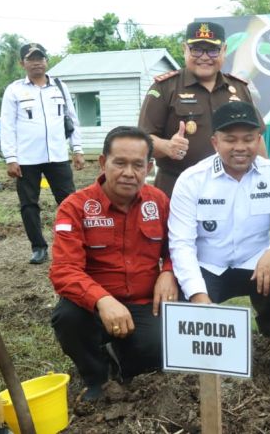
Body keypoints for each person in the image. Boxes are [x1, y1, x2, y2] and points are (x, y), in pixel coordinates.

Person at [49, 126, 176, 401]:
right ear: (103, 163)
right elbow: (63, 270)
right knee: (67, 318)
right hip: (92, 306)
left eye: (137, 165)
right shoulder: (75, 206)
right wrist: (102, 300)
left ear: (149, 167)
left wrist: (168, 271)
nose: (129, 173)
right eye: (120, 163)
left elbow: (179, 248)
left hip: (143, 302)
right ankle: (97, 377)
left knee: (156, 353)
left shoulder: (159, 202)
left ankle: (125, 358)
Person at [168, 101, 270, 337]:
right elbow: (181, 244)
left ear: (259, 140)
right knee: (184, 310)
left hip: (258, 264)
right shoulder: (192, 179)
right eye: (230, 139)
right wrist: (198, 294)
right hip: (209, 267)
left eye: (248, 139)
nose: (240, 147)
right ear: (215, 142)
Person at [138, 21, 266, 197]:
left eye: (213, 50)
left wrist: (265, 179)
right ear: (185, 49)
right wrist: (167, 146)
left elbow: (257, 138)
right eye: (197, 49)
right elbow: (143, 139)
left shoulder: (240, 88)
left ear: (224, 50)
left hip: (232, 187)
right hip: (178, 187)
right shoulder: (165, 87)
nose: (205, 57)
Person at [0, 42, 85, 264]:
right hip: (26, 158)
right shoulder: (15, 90)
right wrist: (11, 158)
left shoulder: (60, 87)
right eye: (31, 59)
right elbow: (7, 126)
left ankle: (75, 242)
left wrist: (77, 149)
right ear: (22, 63)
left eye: (40, 58)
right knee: (29, 205)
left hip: (57, 155)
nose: (37, 62)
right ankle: (38, 247)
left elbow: (72, 120)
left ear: (47, 61)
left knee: (69, 201)